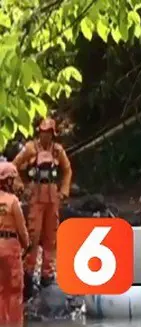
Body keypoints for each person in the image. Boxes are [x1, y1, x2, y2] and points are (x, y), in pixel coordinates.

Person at [13, 117, 72, 293]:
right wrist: (20, 186)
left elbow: (67, 170)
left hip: (52, 195)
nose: (46, 136)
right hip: (36, 194)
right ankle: (28, 273)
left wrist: (64, 190)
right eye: (43, 132)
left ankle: (47, 274)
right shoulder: (30, 148)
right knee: (33, 234)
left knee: (51, 235)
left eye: (49, 133)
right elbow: (14, 165)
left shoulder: (58, 151)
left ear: (53, 134)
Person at [0, 162, 30, 327]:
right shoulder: (13, 202)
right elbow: (22, 229)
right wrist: (27, 245)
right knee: (15, 290)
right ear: (9, 181)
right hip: (10, 247)